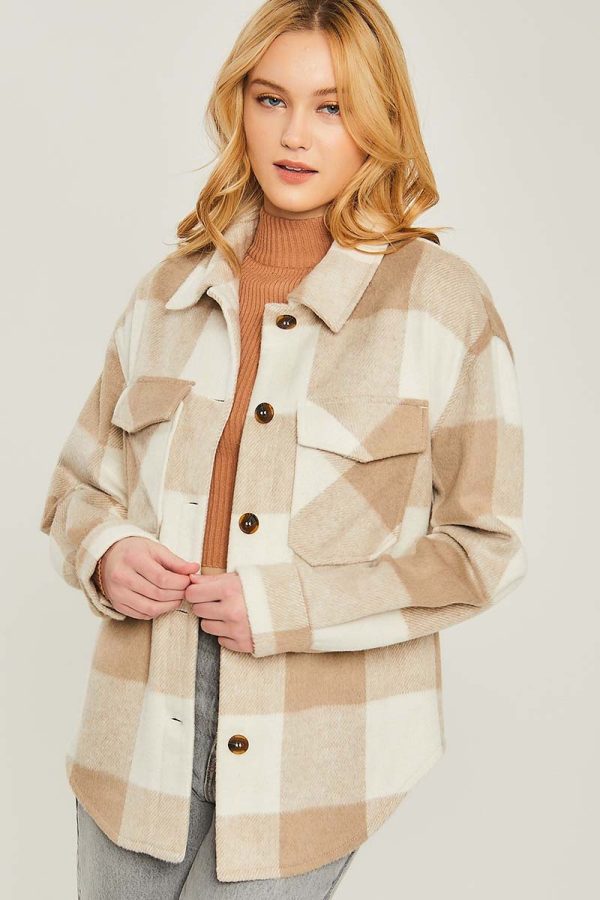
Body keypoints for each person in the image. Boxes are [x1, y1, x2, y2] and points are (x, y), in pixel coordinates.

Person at [40, 1, 527, 897]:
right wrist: (105, 552)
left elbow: (482, 549)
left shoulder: (441, 305)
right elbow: (76, 490)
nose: (295, 135)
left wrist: (290, 606)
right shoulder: (167, 293)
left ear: (379, 120)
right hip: (136, 733)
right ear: (241, 106)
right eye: (271, 99)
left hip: (314, 754)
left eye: (331, 107)